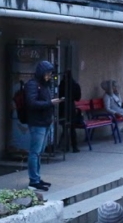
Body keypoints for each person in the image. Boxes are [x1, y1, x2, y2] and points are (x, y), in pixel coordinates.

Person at [24, 60, 62, 191]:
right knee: (35, 152)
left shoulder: (44, 85)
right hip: (37, 122)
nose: (50, 75)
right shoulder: (33, 85)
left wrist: (50, 103)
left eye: (51, 73)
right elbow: (32, 103)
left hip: (45, 121)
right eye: (48, 73)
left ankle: (37, 178)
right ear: (42, 73)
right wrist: (50, 103)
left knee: (39, 152)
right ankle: (33, 180)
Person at [58, 69, 83, 152]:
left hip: (63, 107)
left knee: (65, 128)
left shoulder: (62, 84)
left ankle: (63, 146)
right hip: (71, 107)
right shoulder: (75, 84)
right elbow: (78, 98)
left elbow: (59, 95)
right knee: (72, 128)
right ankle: (74, 146)